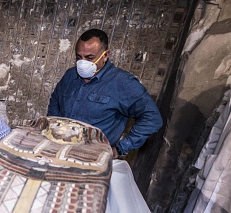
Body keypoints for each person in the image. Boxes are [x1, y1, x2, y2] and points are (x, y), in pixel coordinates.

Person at [47, 28, 163, 158]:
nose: (83, 63)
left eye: (89, 58)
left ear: (105, 55)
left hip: (92, 157)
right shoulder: (70, 76)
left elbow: (152, 118)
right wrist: (53, 129)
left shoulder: (122, 83)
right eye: (79, 57)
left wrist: (119, 149)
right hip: (59, 151)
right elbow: (55, 100)